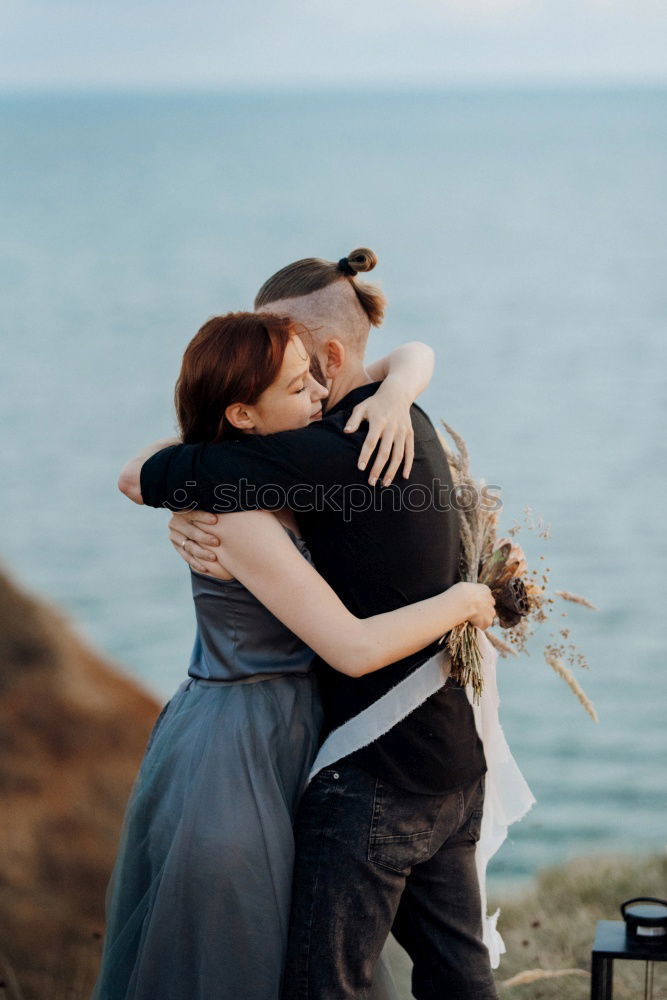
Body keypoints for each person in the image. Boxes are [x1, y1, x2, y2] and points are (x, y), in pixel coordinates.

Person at [123, 248, 502, 1000]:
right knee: (458, 978)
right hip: (451, 764)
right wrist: (400, 384)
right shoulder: (411, 423)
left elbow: (143, 475)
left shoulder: (319, 453)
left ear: (327, 355)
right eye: (287, 382)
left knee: (322, 985)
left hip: (377, 774)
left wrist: (469, 601)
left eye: (302, 372)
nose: (305, 387)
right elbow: (409, 351)